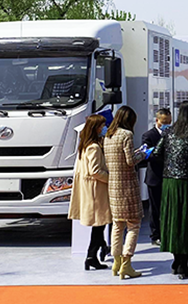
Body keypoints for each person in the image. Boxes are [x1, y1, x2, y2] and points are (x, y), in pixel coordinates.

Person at [152, 101, 188, 279]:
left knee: (172, 220)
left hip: (169, 182)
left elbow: (157, 153)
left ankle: (176, 261)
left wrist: (169, 166)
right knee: (187, 221)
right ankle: (184, 264)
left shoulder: (169, 131)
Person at [69, 114, 112, 271]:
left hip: (90, 189)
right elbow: (95, 171)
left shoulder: (85, 145)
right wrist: (111, 178)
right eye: (102, 126)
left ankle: (97, 252)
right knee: (99, 224)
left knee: (98, 225)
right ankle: (92, 255)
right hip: (96, 190)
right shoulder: (94, 147)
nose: (104, 128)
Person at [104, 106, 143, 279]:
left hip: (113, 185)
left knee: (117, 225)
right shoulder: (127, 135)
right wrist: (142, 154)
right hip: (128, 186)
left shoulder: (108, 135)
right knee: (133, 224)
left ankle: (116, 262)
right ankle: (127, 263)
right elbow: (130, 161)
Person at [142, 108, 172, 245]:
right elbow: (147, 155)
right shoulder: (149, 135)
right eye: (164, 122)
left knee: (168, 207)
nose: (166, 125)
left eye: (169, 122)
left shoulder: (172, 134)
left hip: (169, 176)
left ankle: (167, 232)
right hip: (154, 177)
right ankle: (155, 235)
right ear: (157, 120)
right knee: (155, 208)